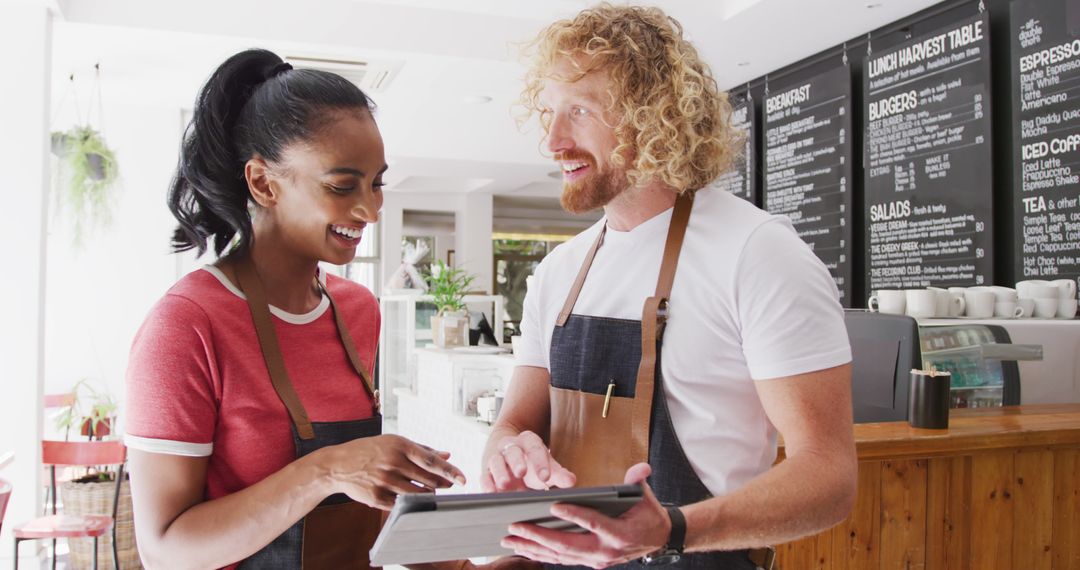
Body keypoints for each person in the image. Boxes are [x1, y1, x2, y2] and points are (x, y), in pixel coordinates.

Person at [481, 4, 857, 569]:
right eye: (550, 113)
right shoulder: (559, 271)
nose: (553, 141)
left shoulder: (757, 253)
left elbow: (829, 476)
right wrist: (507, 453)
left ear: (652, 115)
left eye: (579, 111)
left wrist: (672, 530)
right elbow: (513, 423)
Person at [124, 49, 515, 570]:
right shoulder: (186, 326)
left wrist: (467, 568)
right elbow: (165, 548)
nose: (370, 210)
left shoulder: (358, 310)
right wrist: (326, 468)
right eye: (342, 185)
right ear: (264, 183)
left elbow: (364, 503)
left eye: (377, 183)